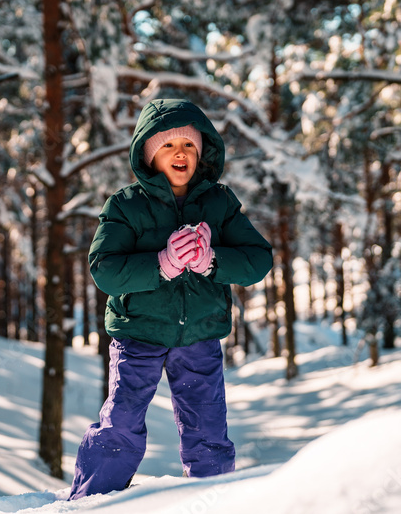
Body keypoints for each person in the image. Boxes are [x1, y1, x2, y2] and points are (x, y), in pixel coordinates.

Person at [68, 98, 273, 500]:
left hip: (199, 333)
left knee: (208, 429)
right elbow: (104, 269)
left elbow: (257, 259)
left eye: (189, 146)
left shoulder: (220, 204)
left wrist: (212, 260)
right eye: (167, 145)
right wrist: (160, 263)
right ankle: (91, 501)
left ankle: (214, 499)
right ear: (147, 153)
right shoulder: (126, 206)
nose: (180, 153)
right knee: (122, 422)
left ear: (202, 153)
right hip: (138, 332)